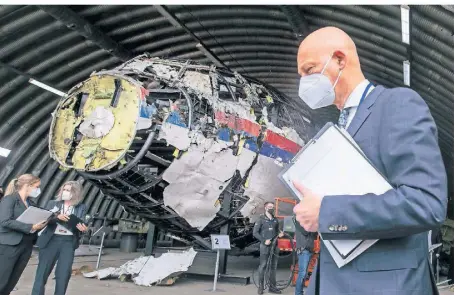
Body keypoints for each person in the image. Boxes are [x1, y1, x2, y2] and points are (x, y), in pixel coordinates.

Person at [292, 27, 447, 295]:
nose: (303, 82)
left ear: (340, 59)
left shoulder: (397, 104)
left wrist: (327, 211)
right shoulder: (337, 129)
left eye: (309, 70)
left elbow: (427, 202)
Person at [32, 181, 88, 295]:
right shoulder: (53, 204)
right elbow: (44, 220)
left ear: (75, 193)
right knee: (42, 272)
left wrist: (84, 229)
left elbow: (83, 222)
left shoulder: (81, 207)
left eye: (68, 190)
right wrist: (57, 217)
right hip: (51, 240)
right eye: (64, 189)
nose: (65, 192)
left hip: (68, 242)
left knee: (64, 273)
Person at [0, 174, 48, 295]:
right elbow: (5, 221)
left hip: (26, 246)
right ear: (27, 186)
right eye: (37, 186)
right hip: (9, 246)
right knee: (2, 279)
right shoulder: (9, 199)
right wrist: (30, 227)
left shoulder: (31, 204)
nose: (38, 190)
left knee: (12, 280)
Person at [253, 201, 284, 294]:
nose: (272, 208)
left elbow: (278, 230)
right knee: (263, 266)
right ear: (266, 208)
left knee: (273, 267)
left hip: (275, 246)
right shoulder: (261, 219)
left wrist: (280, 233)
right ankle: (261, 287)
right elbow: (255, 233)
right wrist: (264, 240)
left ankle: (272, 287)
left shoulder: (275, 219)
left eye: (273, 207)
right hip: (265, 246)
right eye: (270, 207)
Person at [294, 215, 317, 295]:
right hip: (303, 250)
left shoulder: (308, 223)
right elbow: (306, 232)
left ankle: (300, 292)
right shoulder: (299, 221)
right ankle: (298, 293)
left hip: (309, 249)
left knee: (305, 274)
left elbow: (315, 234)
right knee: (302, 273)